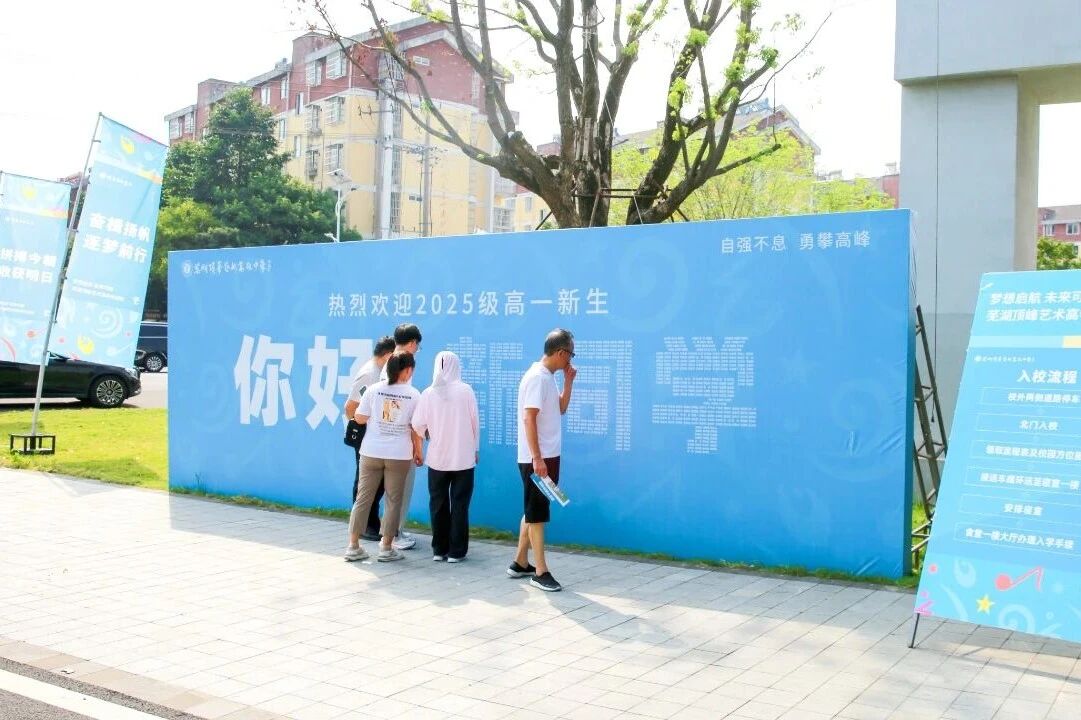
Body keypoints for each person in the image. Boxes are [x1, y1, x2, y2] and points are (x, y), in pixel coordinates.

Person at [508, 328, 576, 592]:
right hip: (538, 459)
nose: (570, 359)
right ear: (560, 352)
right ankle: (541, 571)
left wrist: (569, 381)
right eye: (570, 354)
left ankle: (520, 562)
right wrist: (537, 458)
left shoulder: (548, 377)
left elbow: (560, 408)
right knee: (537, 514)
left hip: (546, 456)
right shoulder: (537, 377)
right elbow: (529, 418)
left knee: (532, 510)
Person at [345, 352, 423, 563]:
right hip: (398, 454)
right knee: (393, 500)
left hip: (370, 451)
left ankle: (353, 546)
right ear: (407, 370)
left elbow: (360, 417)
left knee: (363, 498)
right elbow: (416, 427)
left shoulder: (373, 390)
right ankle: (386, 547)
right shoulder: (414, 394)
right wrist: (418, 451)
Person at [411, 351, 479, 563]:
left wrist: (427, 433)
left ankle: (439, 550)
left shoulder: (428, 393)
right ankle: (456, 552)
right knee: (460, 504)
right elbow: (475, 423)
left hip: (437, 458)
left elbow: (417, 424)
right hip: (463, 457)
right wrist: (475, 449)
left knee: (438, 503)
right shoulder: (466, 391)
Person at [343, 335, 396, 540]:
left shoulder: (378, 372)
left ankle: (370, 523)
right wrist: (362, 428)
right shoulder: (370, 374)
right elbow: (350, 407)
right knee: (365, 482)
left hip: (373, 437)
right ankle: (363, 526)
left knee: (376, 481)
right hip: (365, 437)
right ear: (389, 355)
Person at [379, 323, 423, 550]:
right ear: (413, 343)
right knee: (400, 491)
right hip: (400, 443)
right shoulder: (403, 367)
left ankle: (392, 531)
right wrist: (417, 445)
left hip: (386, 441)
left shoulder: (389, 365)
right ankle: (393, 535)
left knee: (394, 492)